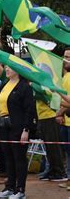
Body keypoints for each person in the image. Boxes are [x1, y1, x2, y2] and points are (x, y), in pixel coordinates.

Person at [0, 66, 35, 199]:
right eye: (6, 67)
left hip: (18, 128)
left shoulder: (25, 87)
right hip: (3, 126)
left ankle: (20, 190)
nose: (7, 69)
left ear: (18, 69)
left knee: (19, 159)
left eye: (10, 67)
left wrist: (26, 130)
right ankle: (10, 187)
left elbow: (29, 110)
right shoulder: (3, 85)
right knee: (8, 158)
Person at [57, 47, 70, 189]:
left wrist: (59, 111)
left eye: (69, 57)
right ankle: (69, 179)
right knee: (67, 153)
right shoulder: (65, 76)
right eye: (65, 56)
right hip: (66, 121)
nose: (66, 59)